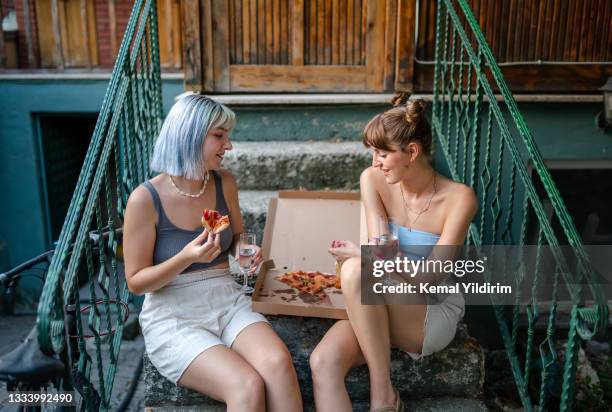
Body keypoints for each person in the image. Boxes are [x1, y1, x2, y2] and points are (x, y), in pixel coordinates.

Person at [123, 93, 302, 412]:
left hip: (226, 299)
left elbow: (234, 239)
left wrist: (244, 250)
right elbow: (136, 283)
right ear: (189, 135)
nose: (229, 146)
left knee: (278, 364)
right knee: (246, 385)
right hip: (173, 315)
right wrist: (185, 258)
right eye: (219, 136)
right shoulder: (144, 199)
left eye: (227, 136)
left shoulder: (224, 182)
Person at [309, 93, 477, 412]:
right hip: (381, 296)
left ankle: (382, 394)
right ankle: (385, 394)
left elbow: (428, 277)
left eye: (382, 154)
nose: (375, 162)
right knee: (323, 361)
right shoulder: (373, 180)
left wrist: (365, 255)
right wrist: (370, 256)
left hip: (428, 309)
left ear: (411, 152)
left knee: (356, 271)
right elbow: (377, 256)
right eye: (373, 153)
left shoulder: (459, 199)